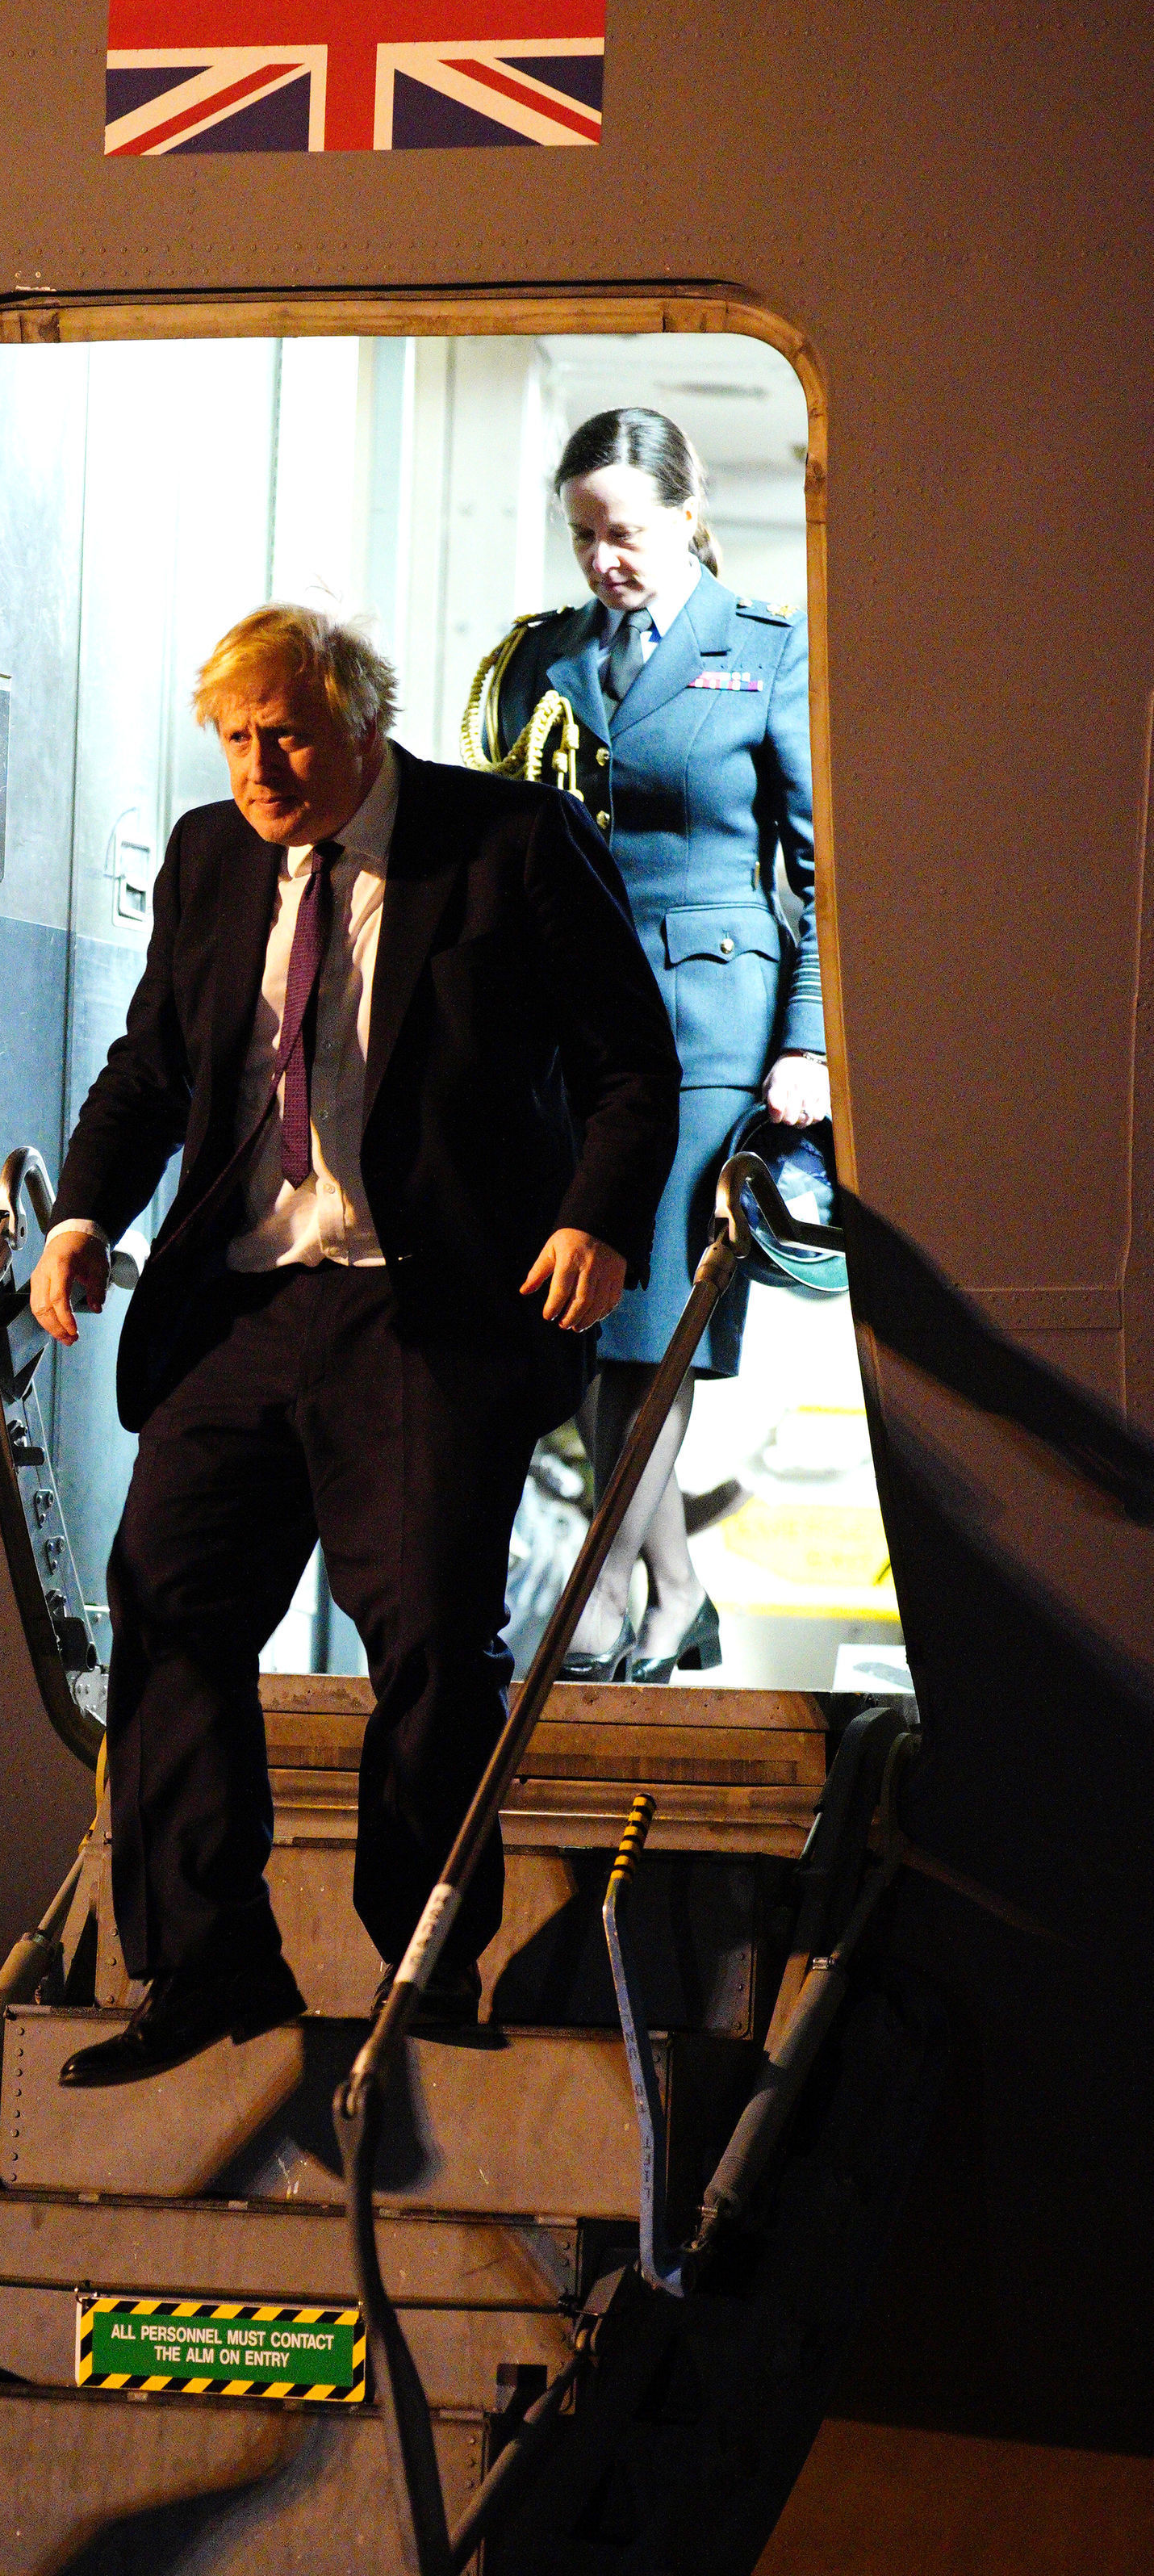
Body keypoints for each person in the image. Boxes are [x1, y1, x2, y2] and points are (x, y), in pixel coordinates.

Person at [28, 605, 680, 2084]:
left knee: (435, 1642)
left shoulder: (509, 842)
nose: (259, 767)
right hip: (246, 1302)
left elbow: (632, 1061)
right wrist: (80, 1216)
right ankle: (208, 1968)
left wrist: (597, 1218)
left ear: (363, 723)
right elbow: (150, 1069)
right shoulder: (211, 856)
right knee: (169, 1602)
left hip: (425, 1306)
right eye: (237, 738)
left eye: (289, 735)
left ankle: (426, 1972)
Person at [465, 407, 827, 1683]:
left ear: (687, 512)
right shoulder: (548, 659)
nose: (605, 559)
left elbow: (818, 866)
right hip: (568, 1030)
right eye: (584, 537)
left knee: (645, 1318)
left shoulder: (764, 652)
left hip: (709, 1028)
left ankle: (608, 1591)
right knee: (578, 1315)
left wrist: (812, 1042)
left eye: (624, 532)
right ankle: (676, 1587)